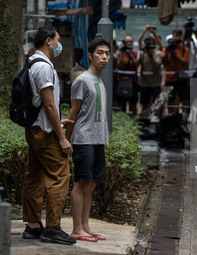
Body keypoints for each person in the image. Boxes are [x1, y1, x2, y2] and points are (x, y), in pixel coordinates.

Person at [21, 25, 76, 245]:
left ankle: (33, 226)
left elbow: (44, 106)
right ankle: (52, 228)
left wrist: (56, 120)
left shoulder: (32, 62)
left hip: (35, 127)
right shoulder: (43, 67)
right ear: (48, 41)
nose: (59, 43)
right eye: (58, 39)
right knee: (59, 175)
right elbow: (49, 104)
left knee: (33, 176)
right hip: (45, 131)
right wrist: (61, 136)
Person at [65, 37, 111, 242]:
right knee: (82, 182)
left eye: (107, 53)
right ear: (91, 56)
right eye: (100, 53)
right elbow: (73, 113)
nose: (104, 57)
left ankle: (85, 226)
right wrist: (65, 140)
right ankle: (76, 230)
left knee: (91, 184)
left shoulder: (100, 80)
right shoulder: (82, 80)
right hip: (83, 138)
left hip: (98, 139)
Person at [162, 29, 189, 114]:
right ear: (172, 36)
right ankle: (172, 119)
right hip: (170, 80)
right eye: (175, 36)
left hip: (182, 79)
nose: (177, 38)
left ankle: (184, 119)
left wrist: (175, 54)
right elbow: (164, 63)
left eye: (179, 36)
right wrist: (168, 52)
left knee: (185, 101)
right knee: (171, 101)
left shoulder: (185, 49)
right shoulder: (166, 49)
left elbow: (185, 62)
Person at [137, 35, 162, 117]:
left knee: (157, 104)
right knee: (145, 104)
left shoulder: (157, 53)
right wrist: (143, 53)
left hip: (155, 83)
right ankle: (143, 121)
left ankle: (156, 120)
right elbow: (136, 64)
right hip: (144, 83)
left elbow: (157, 66)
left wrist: (151, 55)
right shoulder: (141, 53)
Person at [117, 35, 138, 115]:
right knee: (122, 103)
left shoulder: (135, 53)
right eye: (127, 41)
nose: (129, 43)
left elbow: (137, 65)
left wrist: (131, 55)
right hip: (122, 81)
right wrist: (122, 52)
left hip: (133, 81)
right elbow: (119, 65)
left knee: (133, 103)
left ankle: (134, 120)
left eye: (130, 41)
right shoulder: (120, 54)